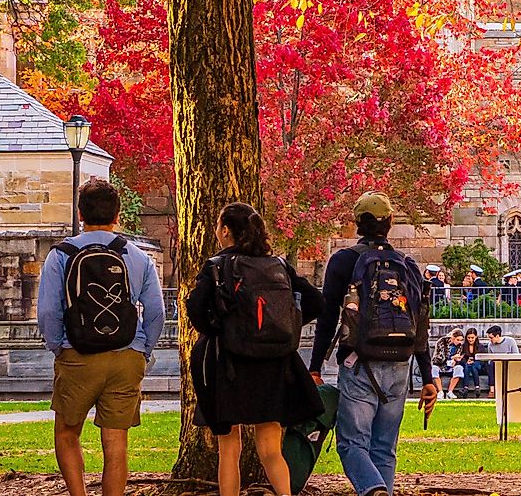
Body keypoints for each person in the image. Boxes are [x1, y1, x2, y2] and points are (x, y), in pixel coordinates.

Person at [185, 203, 326, 496]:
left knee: (229, 449)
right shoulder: (278, 266)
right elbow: (315, 301)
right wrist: (286, 325)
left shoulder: (217, 266)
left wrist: (220, 329)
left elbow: (195, 309)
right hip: (273, 365)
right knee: (270, 449)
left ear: (225, 230)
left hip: (229, 365)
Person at [38, 178, 165, 496]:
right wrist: (143, 349)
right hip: (126, 355)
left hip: (77, 354)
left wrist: (59, 347)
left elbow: (49, 313)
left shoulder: (61, 255)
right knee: (116, 440)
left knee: (67, 432)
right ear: (117, 215)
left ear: (80, 214)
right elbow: (156, 312)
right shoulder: (137, 257)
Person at [309, 193, 435, 496]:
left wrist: (315, 367)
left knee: (352, 442)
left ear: (357, 224)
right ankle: (382, 490)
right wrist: (428, 378)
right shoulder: (407, 264)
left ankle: (373, 489)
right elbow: (419, 323)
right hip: (400, 364)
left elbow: (327, 318)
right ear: (390, 222)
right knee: (384, 447)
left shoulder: (343, 261)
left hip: (359, 362)